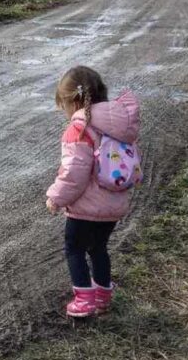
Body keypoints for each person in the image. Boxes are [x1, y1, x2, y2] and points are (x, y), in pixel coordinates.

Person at [46, 66, 141, 318]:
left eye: (63, 105)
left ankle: (84, 300)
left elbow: (74, 174)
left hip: (86, 207)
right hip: (114, 204)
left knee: (74, 248)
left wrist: (56, 197)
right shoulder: (121, 124)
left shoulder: (80, 128)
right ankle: (102, 297)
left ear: (74, 101)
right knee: (98, 248)